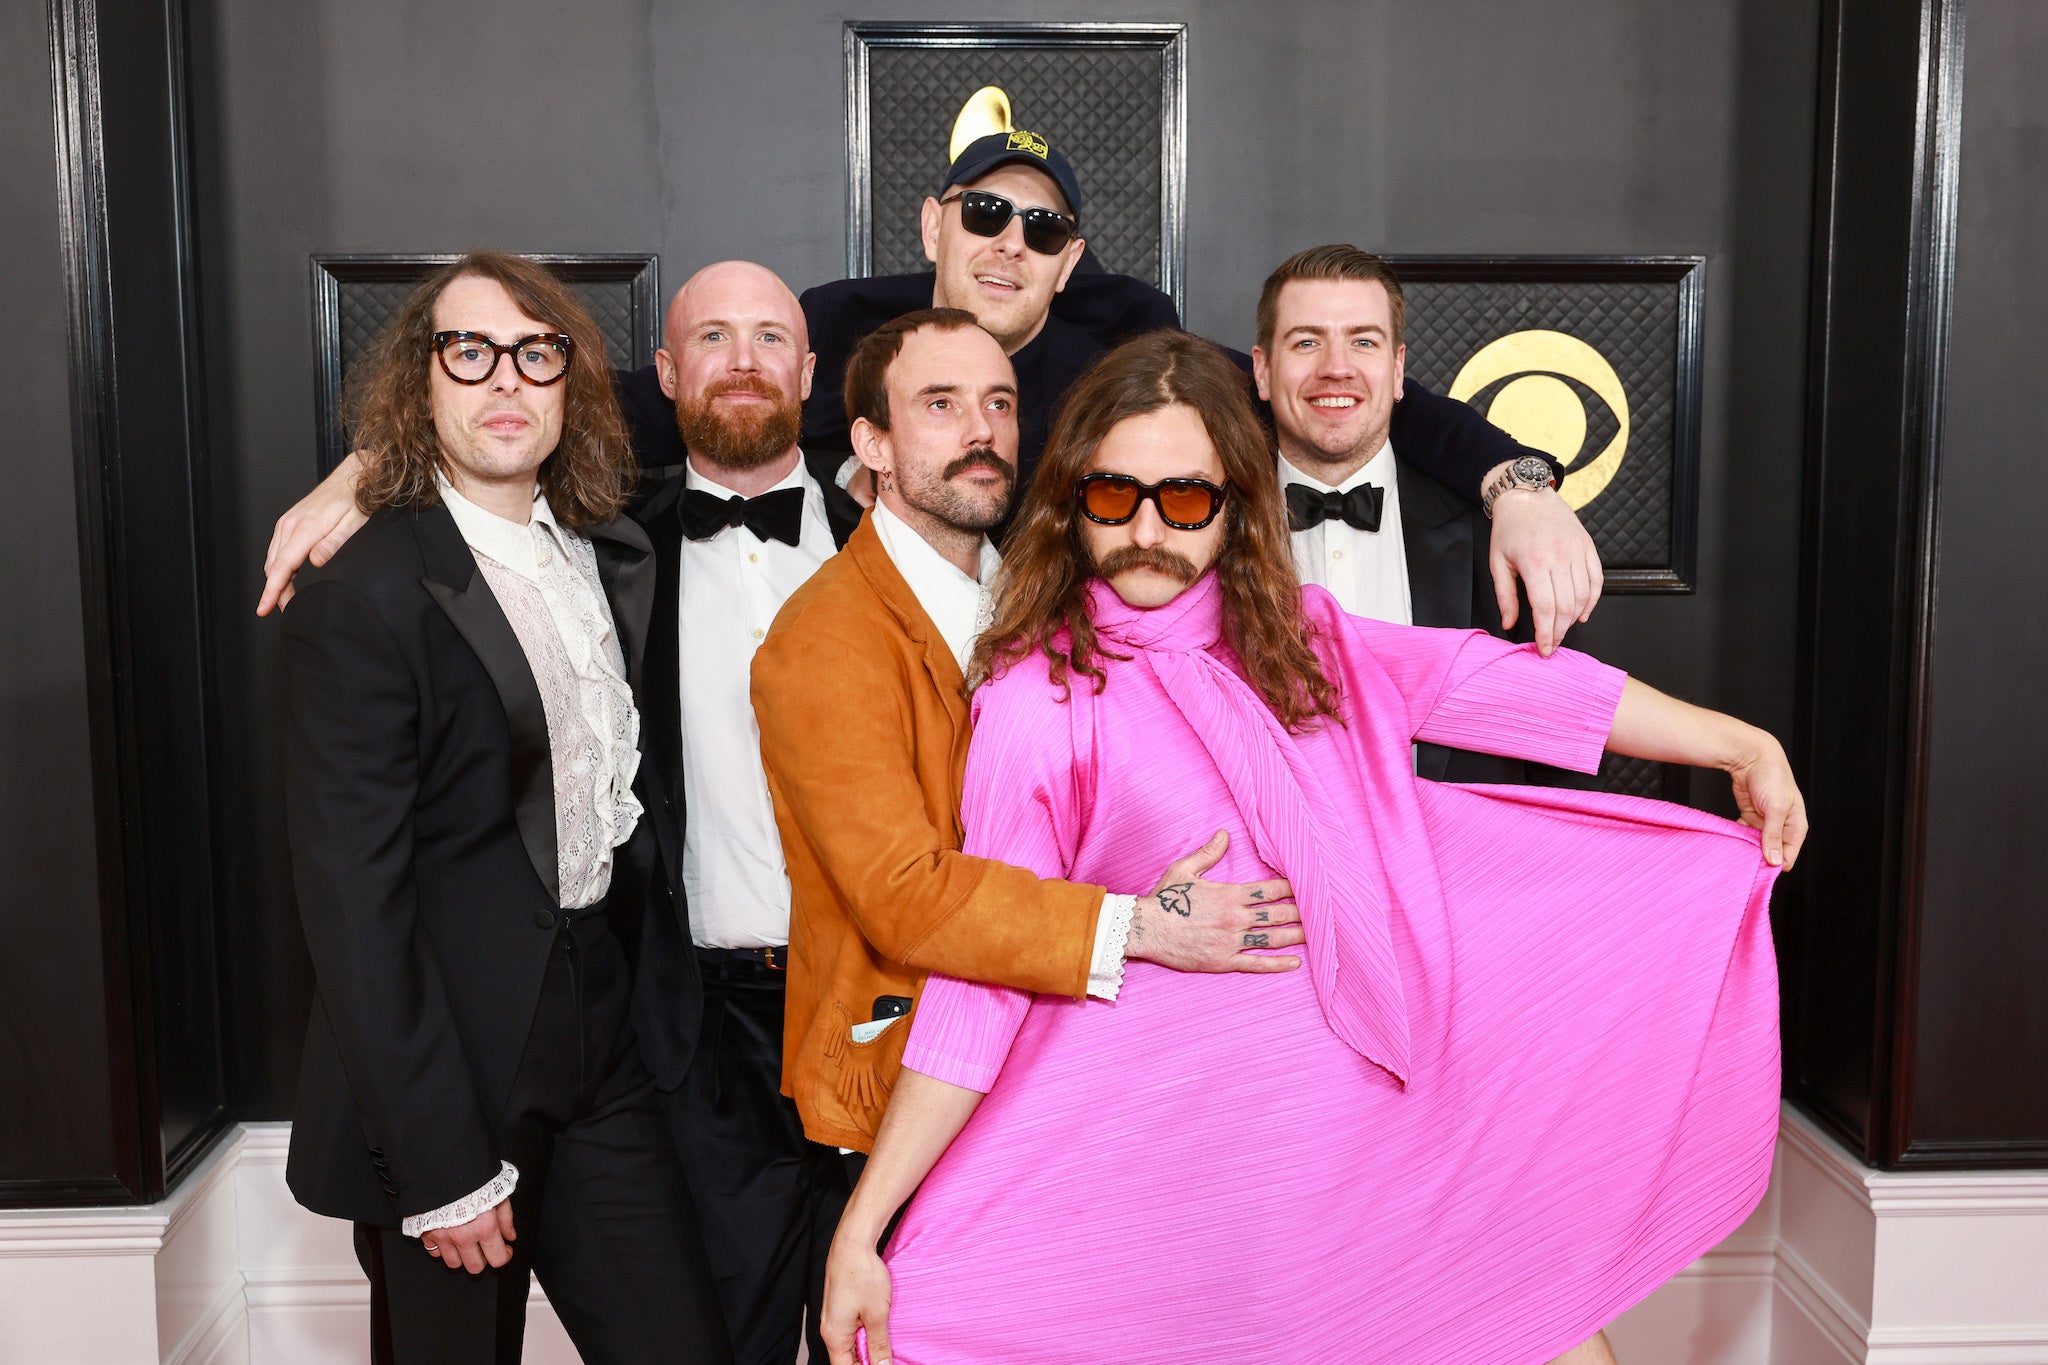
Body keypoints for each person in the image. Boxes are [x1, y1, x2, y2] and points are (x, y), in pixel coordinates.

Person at [819, 329, 1805, 1365]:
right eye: (1113, 497)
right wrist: (865, 1227)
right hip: (1184, 1170)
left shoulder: (1305, 640)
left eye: (1185, 500)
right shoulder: (1041, 699)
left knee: (1547, 1334)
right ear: (1069, 501)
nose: (1146, 532)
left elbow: (1491, 683)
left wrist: (1735, 741)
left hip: (1388, 1130)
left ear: (1235, 507)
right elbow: (984, 982)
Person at [275, 250, 730, 1364]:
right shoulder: (370, 592)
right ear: (419, 381)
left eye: (535, 355)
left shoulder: (599, 547)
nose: (503, 383)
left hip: (601, 1032)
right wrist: (440, 1168)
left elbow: (753, 415)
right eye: (467, 353)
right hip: (447, 1069)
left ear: (569, 382)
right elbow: (353, 910)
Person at [749, 309, 1306, 1158]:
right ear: (872, 445)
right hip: (899, 1095)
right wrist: (1139, 926)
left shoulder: (1050, 589)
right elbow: (906, 895)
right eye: (940, 404)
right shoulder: (822, 640)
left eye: (999, 403)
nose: (981, 432)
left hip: (1063, 1088)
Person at [789, 131, 1603, 652]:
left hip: (1077, 677)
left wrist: (1517, 486)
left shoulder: (1122, 343)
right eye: (986, 214)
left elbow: (1323, 389)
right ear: (936, 225)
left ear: (1068, 263)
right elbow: (691, 402)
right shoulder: (837, 331)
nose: (1009, 246)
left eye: (1041, 230)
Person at [1256, 243, 1599, 783]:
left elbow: (1564, 740)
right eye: (1306, 342)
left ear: (1398, 372)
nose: (1336, 368)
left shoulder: (1505, 538)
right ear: (1262, 370)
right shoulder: (1200, 527)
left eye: (1363, 341)